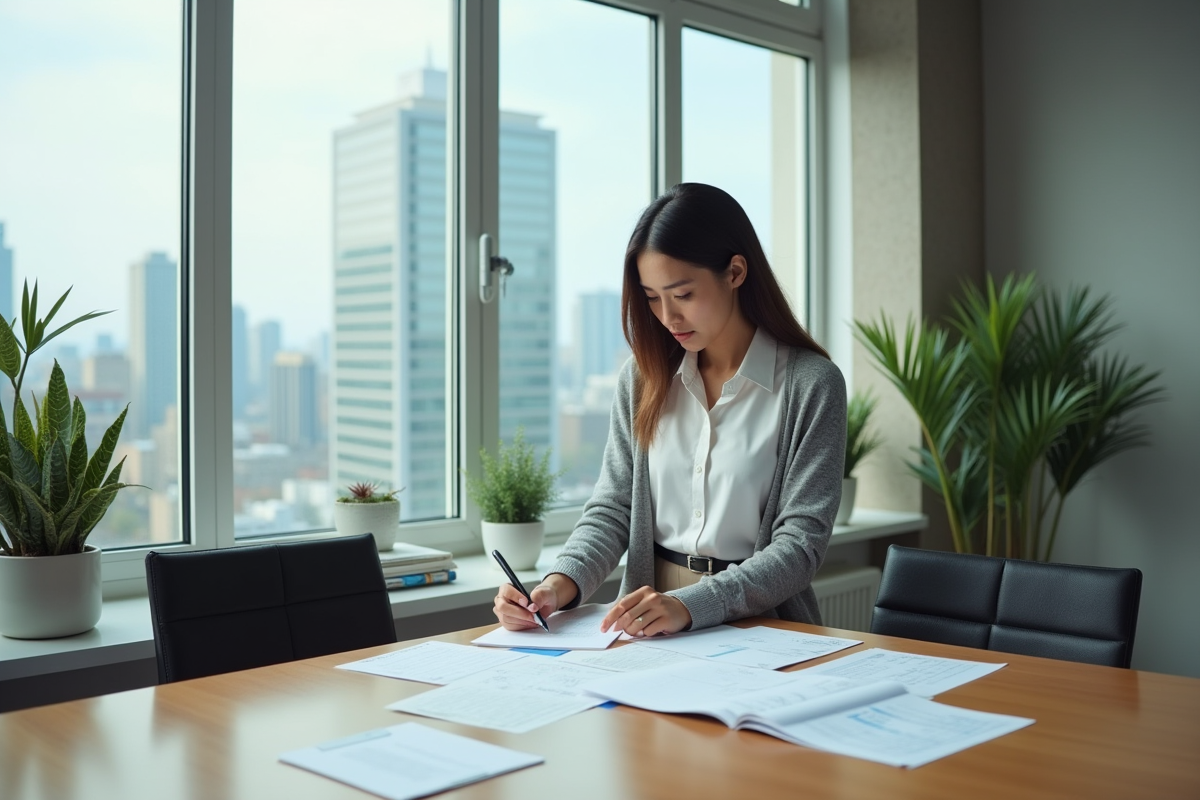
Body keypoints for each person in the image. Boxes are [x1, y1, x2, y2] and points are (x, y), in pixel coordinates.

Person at [493, 182, 846, 637]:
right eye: (652, 297)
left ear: (736, 272)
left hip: (761, 626)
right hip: (648, 625)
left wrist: (690, 605)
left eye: (682, 295)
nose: (668, 317)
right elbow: (614, 507)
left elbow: (800, 546)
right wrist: (558, 585)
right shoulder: (642, 379)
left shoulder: (810, 385)